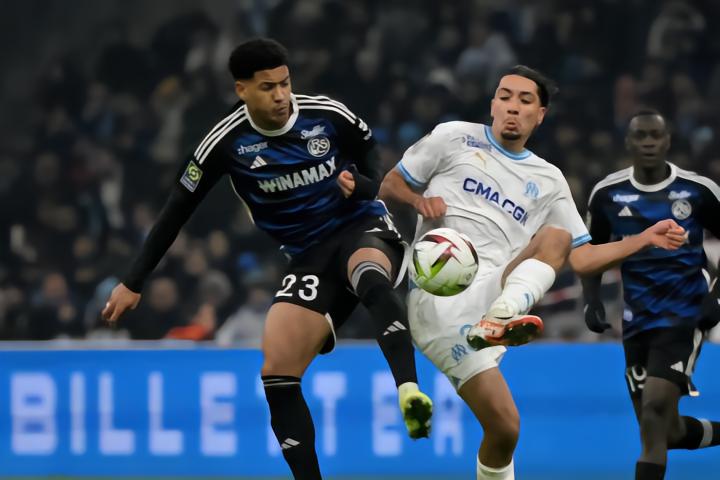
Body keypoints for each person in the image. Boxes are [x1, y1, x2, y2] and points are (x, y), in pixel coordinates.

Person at [101, 38, 432, 480]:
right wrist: (134, 281)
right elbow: (175, 211)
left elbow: (372, 156)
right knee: (277, 370)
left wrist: (365, 185)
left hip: (360, 224)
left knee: (367, 271)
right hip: (308, 256)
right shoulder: (224, 142)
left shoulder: (326, 114)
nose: (281, 96)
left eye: (285, 83)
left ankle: (409, 390)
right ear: (242, 90)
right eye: (267, 87)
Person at [380, 66, 689, 480]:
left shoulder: (549, 179)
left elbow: (582, 259)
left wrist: (644, 239)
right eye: (505, 96)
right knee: (504, 423)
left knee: (505, 429)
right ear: (493, 104)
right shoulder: (453, 137)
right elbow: (390, 184)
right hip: (439, 291)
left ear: (539, 115)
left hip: (491, 292)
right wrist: (418, 201)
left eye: (525, 100)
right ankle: (501, 318)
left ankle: (501, 317)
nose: (513, 107)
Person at [572, 109, 720, 480]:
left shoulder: (698, 190)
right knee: (662, 431)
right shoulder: (607, 194)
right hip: (637, 321)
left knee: (654, 409)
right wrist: (592, 299)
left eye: (656, 135)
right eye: (642, 136)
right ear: (628, 142)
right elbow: (592, 251)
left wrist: (716, 297)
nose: (649, 142)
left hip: (685, 314)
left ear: (668, 141)